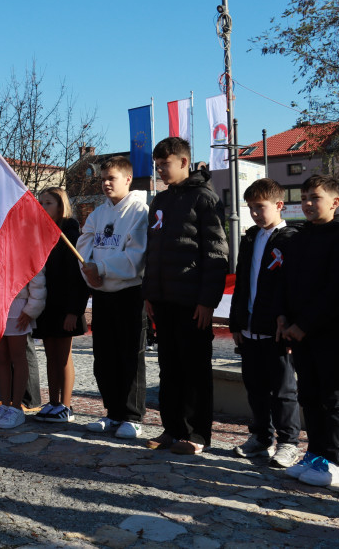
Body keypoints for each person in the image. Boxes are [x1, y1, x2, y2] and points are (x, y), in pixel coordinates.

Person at [142, 137, 228, 455]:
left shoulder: (205, 200)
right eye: (158, 165)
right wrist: (149, 294)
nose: (161, 170)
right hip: (163, 301)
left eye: (166, 164)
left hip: (193, 303)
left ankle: (196, 435)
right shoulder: (160, 202)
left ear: (183, 162)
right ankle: (172, 428)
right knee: (169, 368)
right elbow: (153, 252)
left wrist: (208, 301)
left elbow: (217, 252)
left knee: (195, 369)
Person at [277, 175, 339, 487]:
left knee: (330, 394)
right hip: (297, 331)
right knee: (308, 394)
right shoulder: (298, 237)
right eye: (305, 198)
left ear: (335, 202)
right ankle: (314, 452)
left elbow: (337, 291)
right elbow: (287, 282)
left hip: (325, 330)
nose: (308, 204)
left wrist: (305, 324)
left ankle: (333, 460)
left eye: (316, 198)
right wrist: (283, 317)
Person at [227, 178, 301, 467]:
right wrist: (236, 323)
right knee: (255, 387)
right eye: (251, 208)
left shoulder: (290, 239)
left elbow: (293, 287)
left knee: (283, 389)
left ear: (279, 205)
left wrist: (291, 323)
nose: (256, 213)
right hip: (249, 327)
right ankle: (260, 437)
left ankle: (288, 442)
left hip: (277, 329)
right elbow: (242, 283)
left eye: (261, 207)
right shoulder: (249, 238)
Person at [78, 156, 150, 439]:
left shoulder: (139, 212)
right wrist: (88, 271)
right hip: (102, 293)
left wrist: (102, 268)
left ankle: (132, 416)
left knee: (130, 355)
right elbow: (84, 248)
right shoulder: (97, 214)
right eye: (103, 178)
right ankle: (113, 412)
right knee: (104, 357)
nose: (106, 183)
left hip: (129, 293)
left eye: (112, 178)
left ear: (128, 179)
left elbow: (136, 258)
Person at [33, 187, 89, 424]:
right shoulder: (40, 231)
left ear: (60, 206)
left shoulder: (70, 232)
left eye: (48, 203)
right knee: (50, 356)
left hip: (65, 305)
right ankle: (53, 402)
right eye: (41, 203)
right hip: (46, 304)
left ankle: (66, 405)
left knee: (64, 356)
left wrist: (74, 311)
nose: (43, 207)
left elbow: (78, 277)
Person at [0, 268, 46, 429]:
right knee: (1, 357)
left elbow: (36, 273)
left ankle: (16, 408)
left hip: (19, 305)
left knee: (18, 356)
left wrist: (32, 307)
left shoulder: (25, 244)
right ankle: (5, 404)